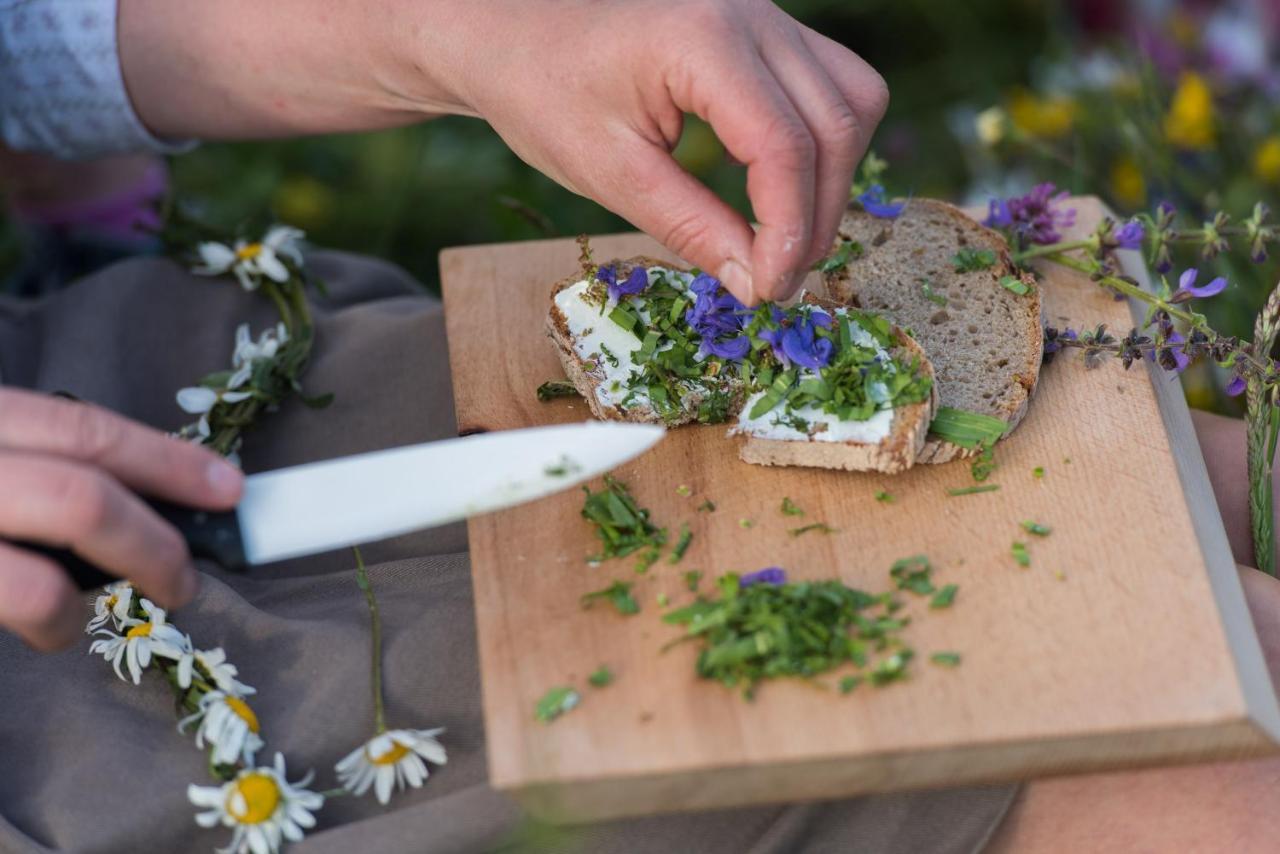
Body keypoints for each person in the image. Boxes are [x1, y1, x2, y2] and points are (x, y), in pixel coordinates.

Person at [1, 1, 1279, 852]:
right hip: (66, 720)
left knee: (1202, 496)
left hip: (131, 389)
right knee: (1218, 768)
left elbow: (32, 46)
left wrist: (463, 29)